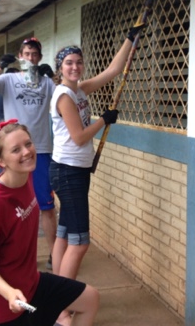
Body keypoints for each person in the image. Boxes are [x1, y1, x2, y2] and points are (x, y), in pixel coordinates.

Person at [48, 19, 145, 295]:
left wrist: (130, 38)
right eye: (68, 63)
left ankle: (54, 293)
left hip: (73, 170)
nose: (74, 67)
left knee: (65, 233)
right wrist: (104, 119)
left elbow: (113, 71)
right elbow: (79, 137)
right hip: (67, 172)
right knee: (80, 242)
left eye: (78, 62)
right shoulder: (64, 95)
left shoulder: (78, 89)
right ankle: (63, 303)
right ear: (60, 68)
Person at [0, 119, 99, 326]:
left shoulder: (27, 176)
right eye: (16, 150)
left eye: (28, 144)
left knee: (89, 299)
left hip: (31, 284)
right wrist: (9, 292)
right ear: (1, 161)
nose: (26, 152)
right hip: (2, 305)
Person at [0, 38, 57, 268]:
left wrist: (53, 77)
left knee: (46, 206)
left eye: (35, 54)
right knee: (13, 206)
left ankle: (55, 254)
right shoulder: (9, 79)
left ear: (39, 57)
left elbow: (65, 95)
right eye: (27, 54)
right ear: (20, 56)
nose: (31, 58)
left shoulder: (46, 82)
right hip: (13, 151)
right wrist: (0, 66)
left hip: (41, 149)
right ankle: (11, 256)